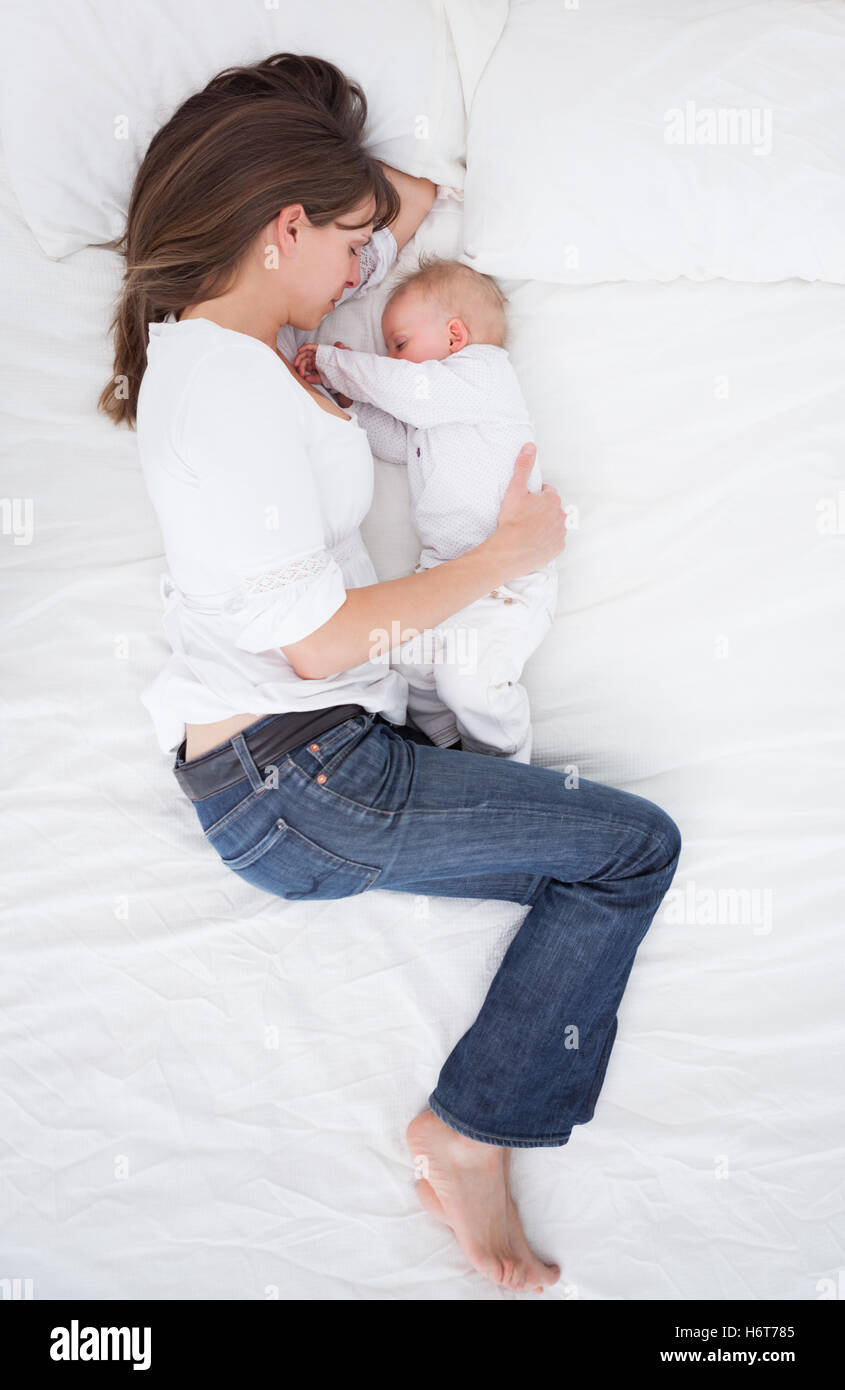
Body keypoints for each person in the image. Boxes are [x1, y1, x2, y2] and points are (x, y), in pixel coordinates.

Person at [99, 52, 681, 1295]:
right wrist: (505, 556)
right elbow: (312, 643)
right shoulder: (217, 382)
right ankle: (468, 1133)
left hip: (307, 771)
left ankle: (473, 1126)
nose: (370, 276)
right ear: (284, 230)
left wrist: (347, 206)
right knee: (629, 849)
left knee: (607, 849)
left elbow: (400, 205)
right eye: (347, 250)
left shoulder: (238, 357)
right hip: (301, 772)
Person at [293, 256, 559, 764]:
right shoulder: (433, 409)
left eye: (399, 345)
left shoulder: (483, 376)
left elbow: (411, 397)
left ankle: (509, 768)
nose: (391, 358)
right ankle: (448, 751)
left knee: (470, 681)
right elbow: (396, 441)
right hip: (446, 578)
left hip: (509, 585)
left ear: (455, 336)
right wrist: (347, 400)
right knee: (408, 667)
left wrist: (337, 363)